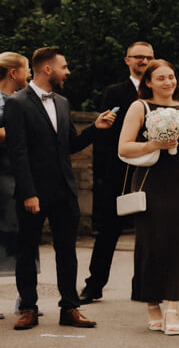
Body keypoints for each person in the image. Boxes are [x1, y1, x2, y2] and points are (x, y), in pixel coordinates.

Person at [6, 48, 115, 329]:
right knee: (27, 250)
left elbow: (72, 145)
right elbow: (18, 152)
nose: (67, 72)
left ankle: (69, 308)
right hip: (33, 191)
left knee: (67, 251)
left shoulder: (63, 103)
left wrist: (95, 127)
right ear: (47, 69)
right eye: (63, 67)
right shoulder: (18, 103)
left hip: (64, 190)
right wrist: (29, 192)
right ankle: (28, 308)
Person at [116, 60, 179, 334]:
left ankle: (173, 309)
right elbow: (124, 147)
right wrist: (155, 144)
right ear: (149, 82)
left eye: (171, 77)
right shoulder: (139, 107)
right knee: (151, 245)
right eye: (161, 78)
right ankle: (152, 303)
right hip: (151, 182)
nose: (168, 82)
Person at [81, 41, 155, 304]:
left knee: (149, 232)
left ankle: (145, 285)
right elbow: (106, 136)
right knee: (109, 230)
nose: (144, 62)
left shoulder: (160, 90)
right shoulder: (114, 92)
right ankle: (94, 285)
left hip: (152, 172)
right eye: (139, 57)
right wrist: (103, 174)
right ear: (128, 61)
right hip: (119, 172)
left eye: (148, 58)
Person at [0, 52, 31, 290]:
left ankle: (25, 296)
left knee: (20, 236)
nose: (29, 73)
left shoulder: (24, 99)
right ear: (13, 73)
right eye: (26, 68)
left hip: (19, 173)